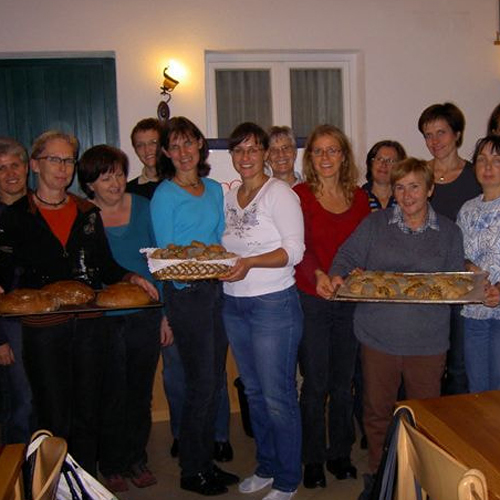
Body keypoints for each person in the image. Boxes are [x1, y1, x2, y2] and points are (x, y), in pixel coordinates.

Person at [0, 130, 158, 475]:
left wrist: (132, 277)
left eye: (68, 160)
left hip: (89, 325)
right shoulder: (15, 216)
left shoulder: (87, 211)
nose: (63, 168)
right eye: (54, 160)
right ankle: (53, 482)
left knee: (89, 408)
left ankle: (83, 481)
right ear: (37, 165)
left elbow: (106, 265)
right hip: (43, 330)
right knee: (52, 413)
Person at [318, 158, 464, 498]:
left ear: (429, 189)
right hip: (377, 337)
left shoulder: (449, 232)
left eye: (415, 186)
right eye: (399, 186)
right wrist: (338, 275)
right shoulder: (374, 224)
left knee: (425, 419)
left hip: (427, 342)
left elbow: (454, 284)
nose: (407, 194)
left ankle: (423, 483)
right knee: (377, 414)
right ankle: (379, 477)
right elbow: (345, 256)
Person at [151, 116, 238, 496]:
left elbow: (220, 238)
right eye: (175, 146)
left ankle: (205, 462)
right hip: (186, 295)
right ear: (167, 153)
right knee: (201, 384)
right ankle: (192, 469)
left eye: (190, 143)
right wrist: (166, 313)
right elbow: (166, 257)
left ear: (201, 145)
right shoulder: (165, 195)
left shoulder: (216, 189)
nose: (184, 152)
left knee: (214, 379)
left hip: (216, 292)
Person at [222, 122, 304, 500]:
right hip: (234, 303)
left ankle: (288, 478)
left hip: (273, 304)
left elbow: (294, 251)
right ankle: (267, 466)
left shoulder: (280, 193)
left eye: (253, 149)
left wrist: (249, 262)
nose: (245, 157)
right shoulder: (229, 195)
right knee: (254, 393)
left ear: (266, 154)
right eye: (238, 150)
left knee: (277, 395)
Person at [78, 144, 168, 491]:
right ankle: (112, 463)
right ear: (90, 185)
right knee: (111, 392)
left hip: (145, 315)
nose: (114, 182)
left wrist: (164, 315)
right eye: (104, 177)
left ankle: (136, 458)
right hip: (104, 319)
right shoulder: (84, 215)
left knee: (139, 391)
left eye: (117, 173)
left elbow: (159, 261)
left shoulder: (143, 207)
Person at [293, 124, 370, 489]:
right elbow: (297, 246)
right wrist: (320, 274)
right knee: (315, 383)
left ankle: (339, 452)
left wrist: (353, 273)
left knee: (343, 382)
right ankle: (312, 458)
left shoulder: (359, 198)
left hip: (349, 300)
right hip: (313, 297)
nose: (325, 157)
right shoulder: (299, 196)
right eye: (318, 151)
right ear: (310, 158)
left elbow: (365, 246)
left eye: (333, 150)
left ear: (344, 156)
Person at [418, 102, 482, 395]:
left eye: (441, 132)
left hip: (462, 282)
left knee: (458, 365)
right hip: (426, 281)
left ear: (457, 134)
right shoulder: (420, 176)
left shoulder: (477, 176)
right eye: (428, 135)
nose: (434, 142)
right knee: (426, 362)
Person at [456, 135, 500, 392]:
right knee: (477, 392)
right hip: (474, 312)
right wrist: (469, 267)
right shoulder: (467, 209)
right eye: (482, 160)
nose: (487, 166)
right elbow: (458, 255)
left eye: (496, 160)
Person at [0, 137, 33, 444]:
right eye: (1, 168)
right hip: (8, 324)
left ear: (26, 168)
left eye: (15, 165)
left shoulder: (40, 209)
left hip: (43, 319)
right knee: (20, 402)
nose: (10, 173)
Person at [362, 140, 406, 211]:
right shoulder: (358, 198)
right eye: (379, 159)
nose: (383, 164)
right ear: (371, 163)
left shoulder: (406, 198)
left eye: (390, 161)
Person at [127, 118, 164, 199]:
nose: (147, 150)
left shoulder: (178, 183)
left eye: (153, 143)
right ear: (135, 150)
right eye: (140, 145)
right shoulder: (129, 191)